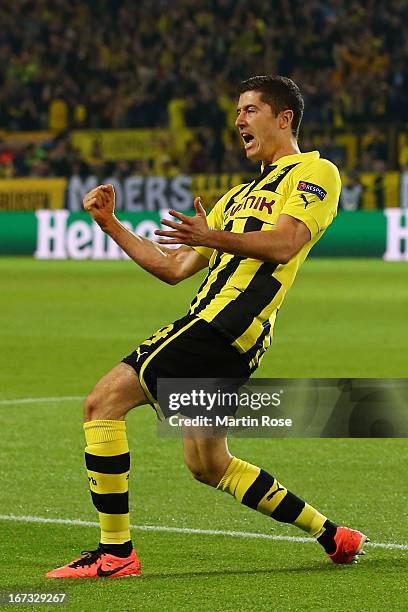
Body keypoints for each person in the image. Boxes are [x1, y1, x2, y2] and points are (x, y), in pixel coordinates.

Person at [46, 75, 368, 579]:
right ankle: (334, 536)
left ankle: (116, 554)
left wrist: (212, 234)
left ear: (284, 118)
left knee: (101, 403)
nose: (239, 119)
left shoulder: (315, 171)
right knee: (208, 465)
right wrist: (111, 224)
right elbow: (172, 269)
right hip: (225, 336)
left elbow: (285, 244)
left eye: (250, 109)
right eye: (237, 111)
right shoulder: (236, 196)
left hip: (222, 325)